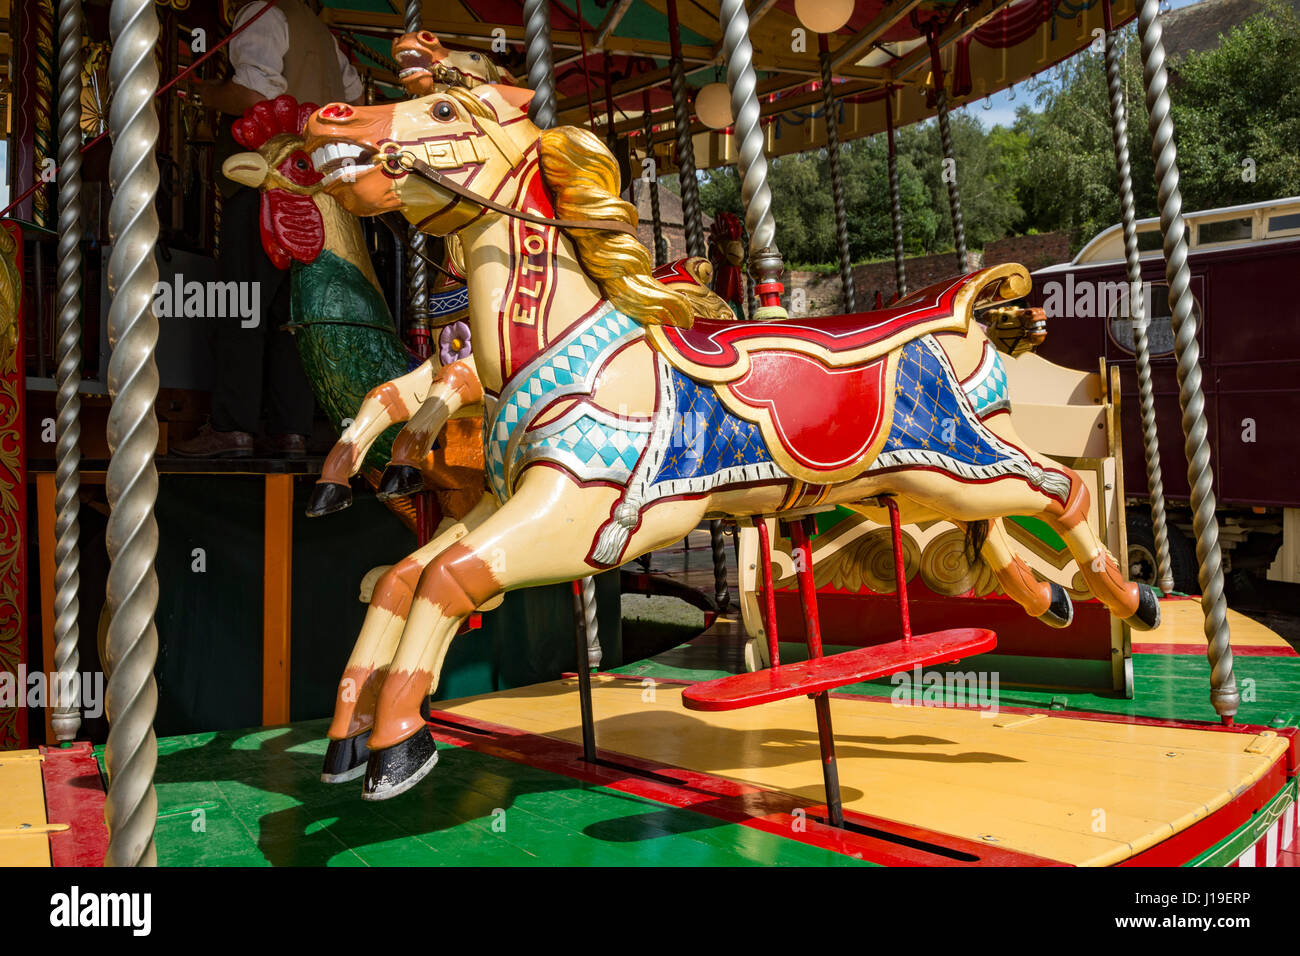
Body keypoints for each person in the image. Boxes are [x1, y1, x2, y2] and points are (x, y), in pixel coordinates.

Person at [172, 0, 364, 458]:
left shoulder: (261, 13)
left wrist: (203, 91)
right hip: (314, 194)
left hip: (266, 181)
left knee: (243, 305)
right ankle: (291, 430)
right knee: (290, 315)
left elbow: (254, 94)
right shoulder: (322, 34)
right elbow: (353, 102)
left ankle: (233, 428)